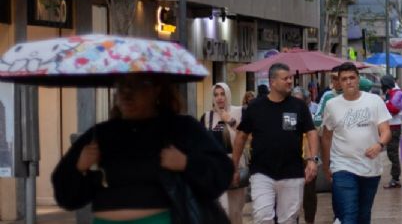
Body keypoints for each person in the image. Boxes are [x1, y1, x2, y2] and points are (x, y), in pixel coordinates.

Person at [52, 74, 232, 223]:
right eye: (122, 87)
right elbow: (66, 196)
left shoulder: (180, 128)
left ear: (156, 89)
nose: (127, 94)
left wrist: (187, 163)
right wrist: (78, 168)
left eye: (136, 86)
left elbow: (222, 172)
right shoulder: (101, 134)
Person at [233, 64, 319, 224]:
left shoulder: (298, 106)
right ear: (272, 82)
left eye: (290, 78)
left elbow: (311, 132)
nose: (290, 81)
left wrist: (313, 160)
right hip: (262, 172)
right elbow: (241, 135)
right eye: (285, 78)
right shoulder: (255, 107)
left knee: (288, 219)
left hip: (292, 173)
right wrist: (234, 165)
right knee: (262, 216)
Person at [320, 62, 392, 224]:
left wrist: (379, 145)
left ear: (358, 79)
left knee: (363, 215)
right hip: (343, 166)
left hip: (370, 168)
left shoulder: (374, 101)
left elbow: (386, 131)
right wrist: (326, 165)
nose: (349, 82)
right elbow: (326, 136)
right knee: (349, 214)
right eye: (344, 79)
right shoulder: (332, 105)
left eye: (352, 78)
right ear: (338, 83)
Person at [201, 82, 246, 223]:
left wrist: (230, 120)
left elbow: (246, 136)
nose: (219, 98)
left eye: (222, 94)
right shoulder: (207, 117)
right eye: (216, 94)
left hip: (235, 163)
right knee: (221, 210)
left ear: (228, 95)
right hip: (215, 168)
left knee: (235, 212)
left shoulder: (239, 111)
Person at [290, 87, 320, 224]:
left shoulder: (312, 114)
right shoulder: (289, 115)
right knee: (292, 195)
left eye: (299, 100)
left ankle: (310, 220)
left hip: (309, 158)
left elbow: (315, 136)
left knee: (309, 195)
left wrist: (313, 160)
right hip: (293, 159)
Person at [381, 75, 402, 189]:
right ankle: (395, 177)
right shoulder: (392, 92)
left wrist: (384, 104)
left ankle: (395, 178)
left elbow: (395, 108)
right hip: (390, 125)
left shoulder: (396, 93)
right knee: (391, 152)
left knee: (392, 153)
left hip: (394, 126)